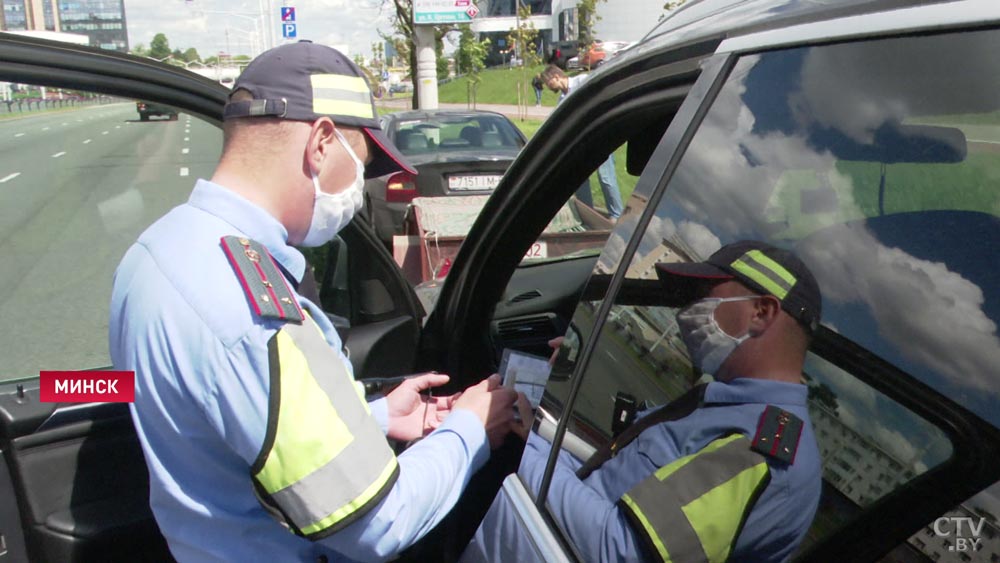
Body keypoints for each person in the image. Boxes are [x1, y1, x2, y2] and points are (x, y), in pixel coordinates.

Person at [109, 41, 519, 562]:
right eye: (361, 165)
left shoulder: (159, 248)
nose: (356, 192)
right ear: (321, 142)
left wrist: (371, 418)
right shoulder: (256, 315)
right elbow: (378, 523)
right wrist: (471, 427)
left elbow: (236, 424)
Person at [463, 240, 823, 562]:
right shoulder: (725, 405)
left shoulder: (762, 451)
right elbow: (603, 486)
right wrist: (533, 436)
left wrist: (529, 453)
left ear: (762, 312)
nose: (687, 312)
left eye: (703, 295)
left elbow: (618, 548)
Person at [540, 64, 624, 220]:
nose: (547, 87)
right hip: (582, 144)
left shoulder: (582, 81)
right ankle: (587, 215)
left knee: (606, 177)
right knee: (579, 179)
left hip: (600, 136)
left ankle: (616, 215)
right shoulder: (562, 100)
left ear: (556, 77)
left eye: (548, 83)